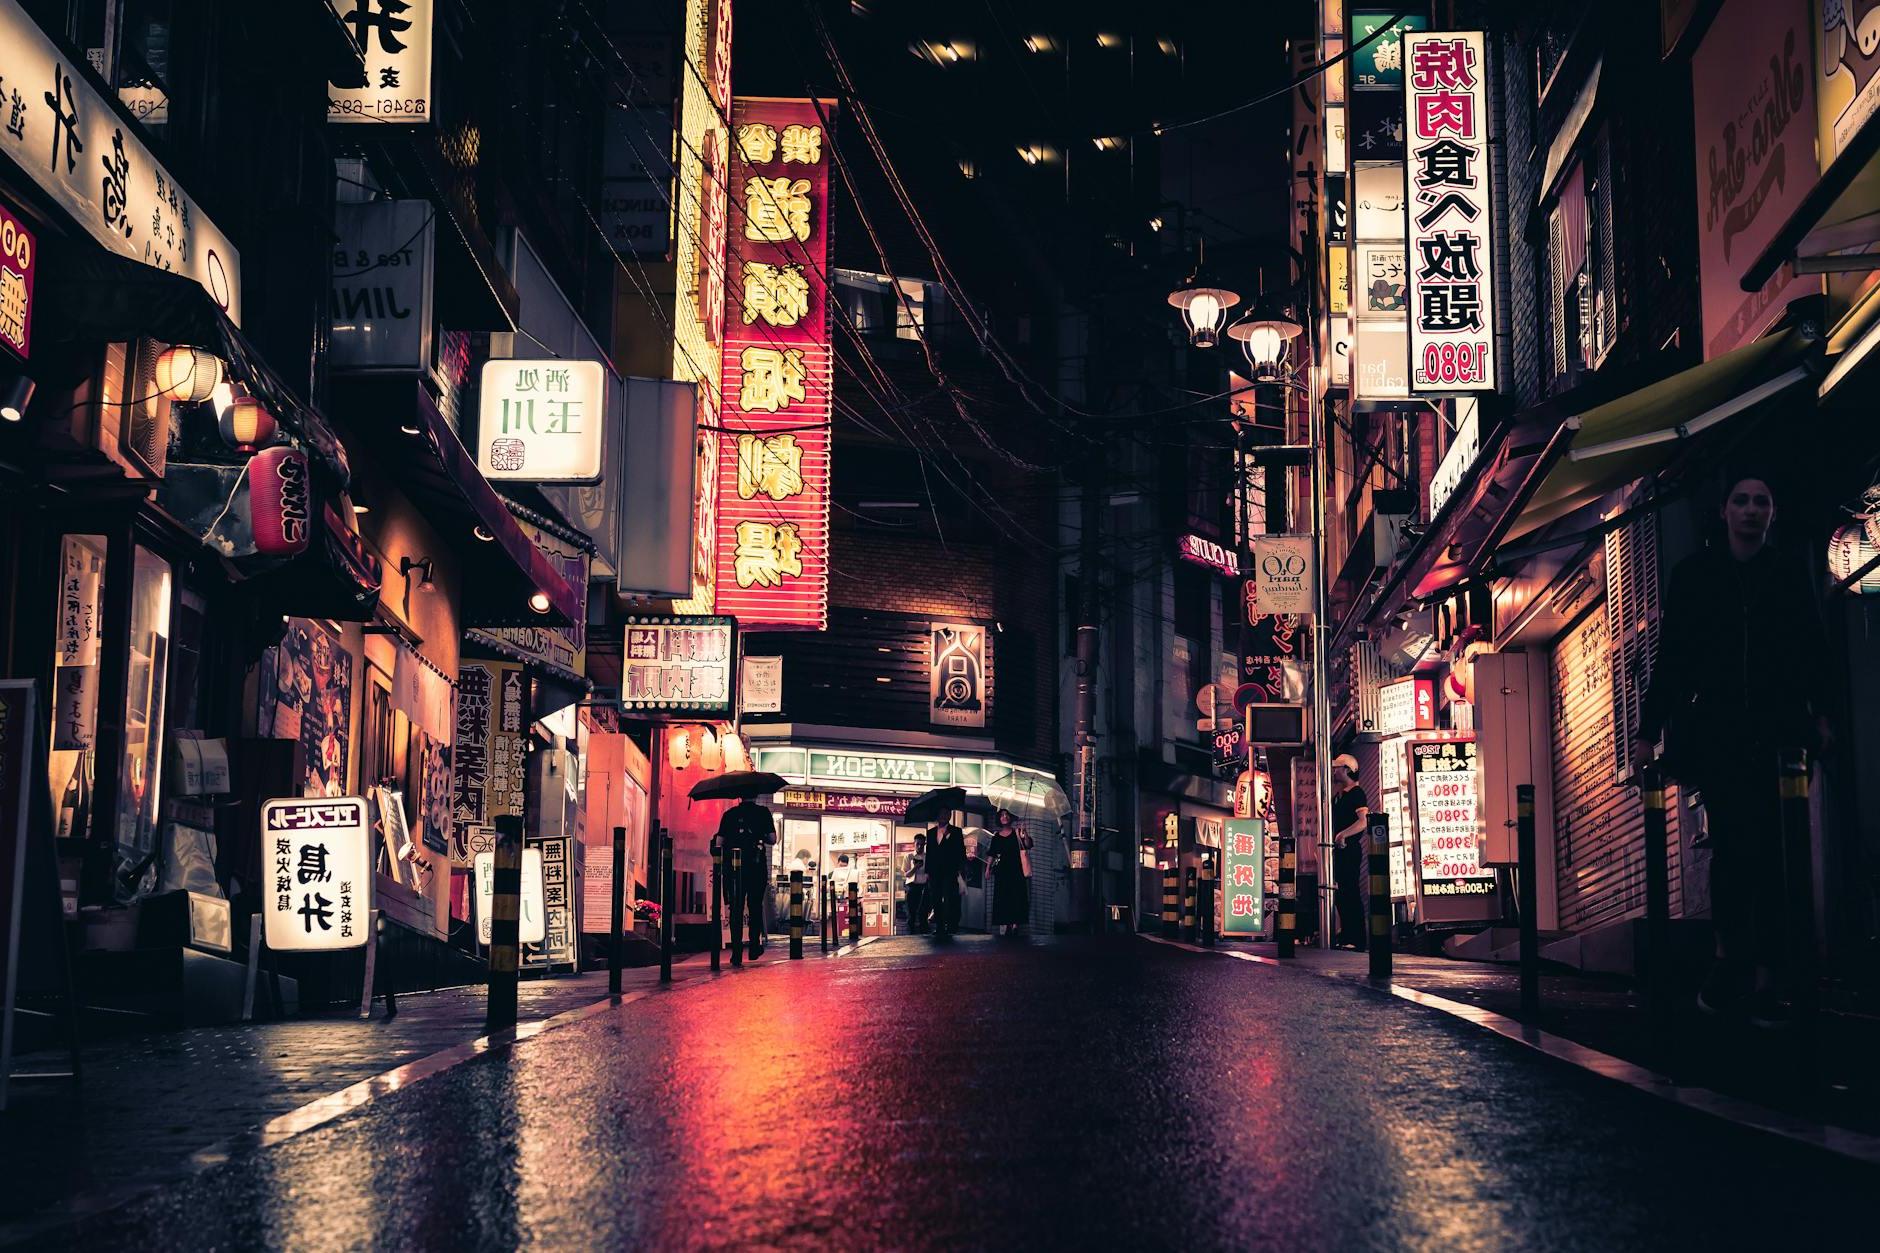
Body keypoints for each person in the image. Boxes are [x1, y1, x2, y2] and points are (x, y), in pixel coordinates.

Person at [1639, 474, 1831, 1027]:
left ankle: (1770, 979)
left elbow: (1814, 647)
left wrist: (1821, 715)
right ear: (1722, 510)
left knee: (1776, 857)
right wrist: (1649, 730)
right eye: (1742, 501)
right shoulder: (1693, 576)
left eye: (1762, 502)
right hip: (1720, 734)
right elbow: (1672, 657)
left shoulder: (1787, 571)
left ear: (1773, 513)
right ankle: (1729, 960)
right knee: (1732, 850)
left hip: (1781, 733)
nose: (1752, 510)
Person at [715, 797, 777, 959]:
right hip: (756, 867)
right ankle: (754, 947)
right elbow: (773, 839)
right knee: (755, 906)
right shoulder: (763, 813)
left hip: (734, 868)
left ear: (740, 796)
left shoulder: (729, 814)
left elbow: (719, 841)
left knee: (736, 907)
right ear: (756, 796)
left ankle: (736, 952)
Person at [1329, 753, 1370, 950]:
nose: (1334, 770)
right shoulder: (1340, 795)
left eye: (1337, 767)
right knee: (1342, 893)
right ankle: (1347, 936)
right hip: (1340, 850)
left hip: (1350, 849)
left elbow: (1364, 821)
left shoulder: (1357, 793)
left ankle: (1357, 938)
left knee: (1350, 892)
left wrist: (1342, 835)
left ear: (1346, 769)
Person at [987, 808, 1034, 937]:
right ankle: (1005, 924)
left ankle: (1015, 925)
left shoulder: (1018, 832)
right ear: (999, 819)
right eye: (1002, 815)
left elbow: (1028, 845)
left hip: (1017, 871)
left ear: (1011, 817)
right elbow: (991, 853)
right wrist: (988, 869)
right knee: (1003, 898)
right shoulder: (996, 836)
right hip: (1002, 872)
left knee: (1016, 897)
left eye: (1007, 815)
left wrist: (1025, 834)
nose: (1004, 817)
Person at [927, 820, 966, 938]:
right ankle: (939, 926)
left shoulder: (956, 831)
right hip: (935, 872)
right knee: (936, 899)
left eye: (947, 813)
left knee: (950, 898)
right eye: (942, 813)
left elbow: (960, 850)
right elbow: (929, 852)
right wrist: (927, 871)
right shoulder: (931, 832)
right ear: (938, 815)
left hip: (950, 870)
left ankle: (950, 926)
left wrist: (961, 868)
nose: (944, 815)